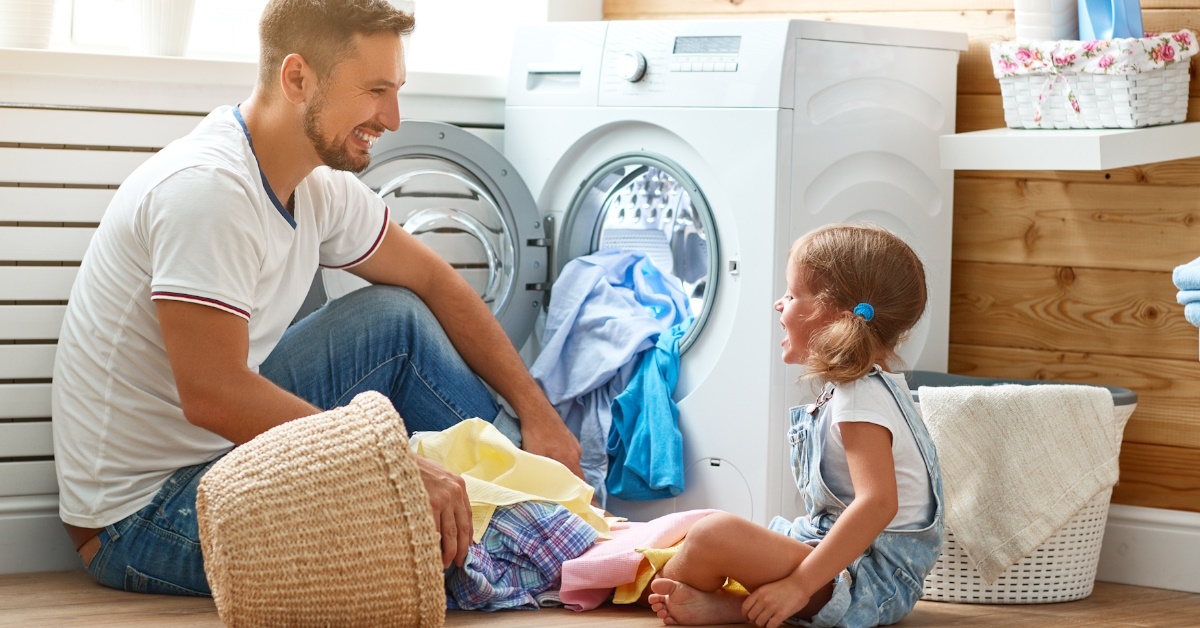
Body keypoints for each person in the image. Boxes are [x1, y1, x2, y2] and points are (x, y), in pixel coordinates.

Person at [50, 0, 581, 596]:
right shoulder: (208, 191)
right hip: (141, 515)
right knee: (416, 542)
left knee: (396, 317)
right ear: (297, 78)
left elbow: (433, 280)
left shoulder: (315, 184)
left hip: (221, 454)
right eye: (377, 90)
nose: (395, 117)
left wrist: (539, 415)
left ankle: (550, 503)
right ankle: (545, 536)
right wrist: (392, 470)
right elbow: (213, 396)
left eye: (397, 89)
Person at [646, 224, 944, 627]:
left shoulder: (862, 395)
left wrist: (799, 584)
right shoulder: (861, 388)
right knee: (703, 533)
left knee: (710, 536)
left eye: (790, 295)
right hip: (845, 562)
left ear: (830, 315)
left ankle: (637, 594)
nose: (778, 304)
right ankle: (731, 609)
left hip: (871, 583)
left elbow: (878, 503)